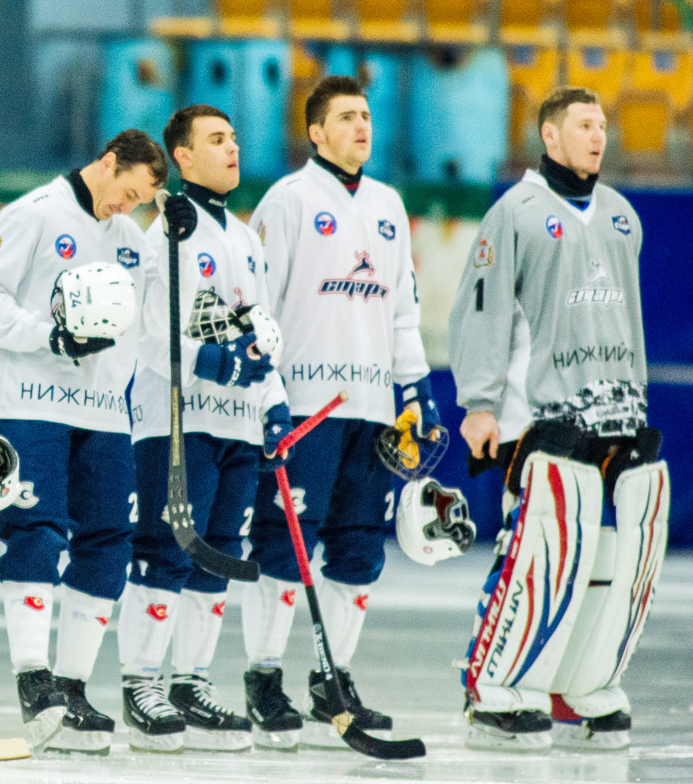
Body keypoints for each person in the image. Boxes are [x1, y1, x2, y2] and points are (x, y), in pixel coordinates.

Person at [450, 86, 661, 751]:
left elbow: (625, 319)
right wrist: (480, 405)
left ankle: (581, 682)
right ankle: (495, 685)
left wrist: (635, 403)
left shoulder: (624, 217)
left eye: (602, 124)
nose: (599, 136)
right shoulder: (514, 213)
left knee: (613, 557)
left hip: (613, 410)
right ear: (549, 137)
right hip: (536, 416)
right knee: (540, 550)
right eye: (583, 125)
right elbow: (479, 309)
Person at [0, 128, 174, 753]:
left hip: (105, 413)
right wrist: (43, 336)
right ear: (107, 163)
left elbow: (165, 305)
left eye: (138, 201)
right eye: (123, 191)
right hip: (32, 404)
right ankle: (33, 678)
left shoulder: (132, 238)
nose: (123, 207)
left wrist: (177, 224)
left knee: (108, 541)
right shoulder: (35, 213)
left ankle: (73, 688)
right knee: (38, 531)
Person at [240, 74, 434, 748]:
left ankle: (334, 675)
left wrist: (416, 390)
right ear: (316, 131)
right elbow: (259, 308)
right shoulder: (289, 200)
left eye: (366, 116)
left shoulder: (388, 204)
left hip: (374, 406)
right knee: (283, 541)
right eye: (347, 117)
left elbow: (402, 312)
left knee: (358, 546)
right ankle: (263, 676)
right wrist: (268, 396)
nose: (362, 126)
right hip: (306, 407)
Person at [117, 105, 287, 752]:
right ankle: (142, 682)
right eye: (217, 140)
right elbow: (147, 331)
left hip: (239, 424)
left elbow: (263, 332)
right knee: (165, 547)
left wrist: (274, 398)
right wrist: (214, 360)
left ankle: (189, 680)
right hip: (175, 421)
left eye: (236, 138)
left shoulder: (245, 238)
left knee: (220, 549)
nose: (233, 148)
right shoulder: (164, 233)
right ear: (183, 157)